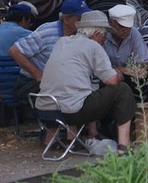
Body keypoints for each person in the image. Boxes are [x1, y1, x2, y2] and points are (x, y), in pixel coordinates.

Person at [37, 10, 136, 155]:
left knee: (77, 90)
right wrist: (119, 73)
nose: (104, 40)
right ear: (96, 34)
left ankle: (50, 140)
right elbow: (112, 81)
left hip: (45, 108)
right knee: (122, 90)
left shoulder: (62, 41)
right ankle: (123, 146)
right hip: (71, 111)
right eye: (104, 36)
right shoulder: (94, 46)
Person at [9, 0, 92, 103]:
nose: (85, 21)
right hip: (31, 83)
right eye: (80, 18)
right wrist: (39, 75)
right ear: (66, 19)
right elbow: (15, 51)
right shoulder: (48, 31)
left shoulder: (81, 35)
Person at [0, 2, 37, 93]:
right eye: (29, 22)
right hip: (7, 85)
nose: (29, 26)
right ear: (23, 19)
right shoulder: (25, 34)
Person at [105, 5, 148, 97]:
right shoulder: (103, 35)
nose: (126, 30)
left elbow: (143, 68)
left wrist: (120, 69)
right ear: (111, 23)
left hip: (128, 77)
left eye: (128, 27)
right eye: (122, 26)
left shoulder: (134, 33)